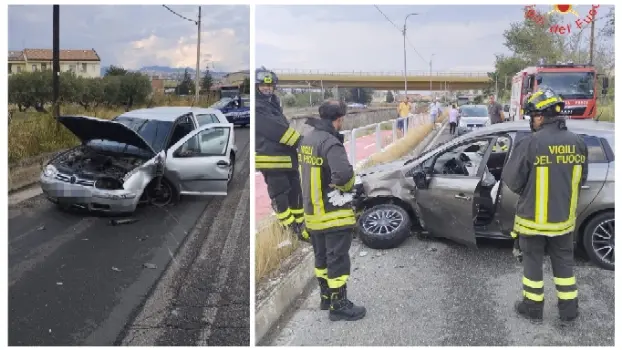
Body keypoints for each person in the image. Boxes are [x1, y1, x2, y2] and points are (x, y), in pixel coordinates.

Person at [501, 88, 588, 322]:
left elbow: (511, 181)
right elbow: (581, 180)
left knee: (532, 266)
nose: (532, 121)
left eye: (532, 116)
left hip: (532, 222)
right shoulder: (578, 142)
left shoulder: (532, 143)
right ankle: (569, 310)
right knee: (564, 265)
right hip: (563, 221)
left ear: (540, 116)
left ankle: (533, 307)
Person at [298, 99, 366, 322]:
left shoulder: (307, 139)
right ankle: (339, 306)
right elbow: (344, 174)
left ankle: (326, 298)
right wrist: (344, 189)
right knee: (337, 258)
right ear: (339, 119)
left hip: (312, 214)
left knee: (321, 258)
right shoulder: (330, 142)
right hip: (331, 214)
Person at [255, 67, 309, 242]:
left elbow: (283, 128)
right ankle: (289, 229)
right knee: (281, 196)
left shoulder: (272, 104)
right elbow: (276, 130)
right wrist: (300, 141)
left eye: (270, 85)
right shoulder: (257, 107)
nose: (267, 88)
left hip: (286, 159)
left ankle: (301, 225)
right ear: (256, 86)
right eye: (263, 85)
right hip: (271, 160)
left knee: (296, 192)